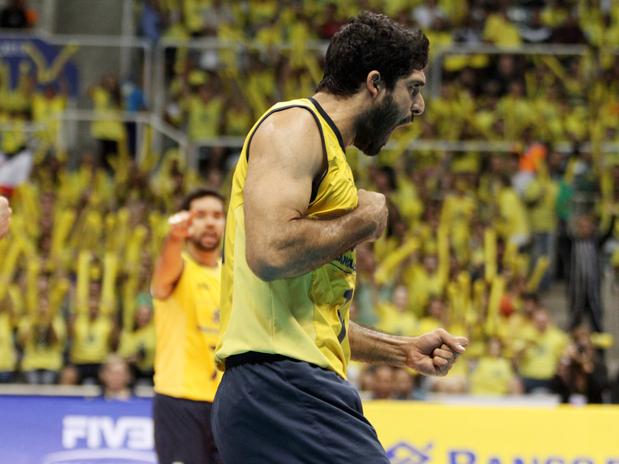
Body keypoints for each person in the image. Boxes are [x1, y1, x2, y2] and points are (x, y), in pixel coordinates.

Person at [213, 12, 468, 464]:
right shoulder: (294, 127)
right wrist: (361, 219)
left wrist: (402, 351)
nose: (418, 107)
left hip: (274, 391)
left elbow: (308, 315)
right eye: (413, 88)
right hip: (286, 388)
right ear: (375, 83)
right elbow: (269, 252)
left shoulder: (330, 156)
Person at [151, 188, 225, 464]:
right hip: (179, 402)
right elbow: (164, 273)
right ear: (187, 222)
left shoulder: (233, 277)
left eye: (217, 215)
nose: (209, 222)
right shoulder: (177, 267)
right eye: (201, 215)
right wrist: (174, 238)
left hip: (226, 404)